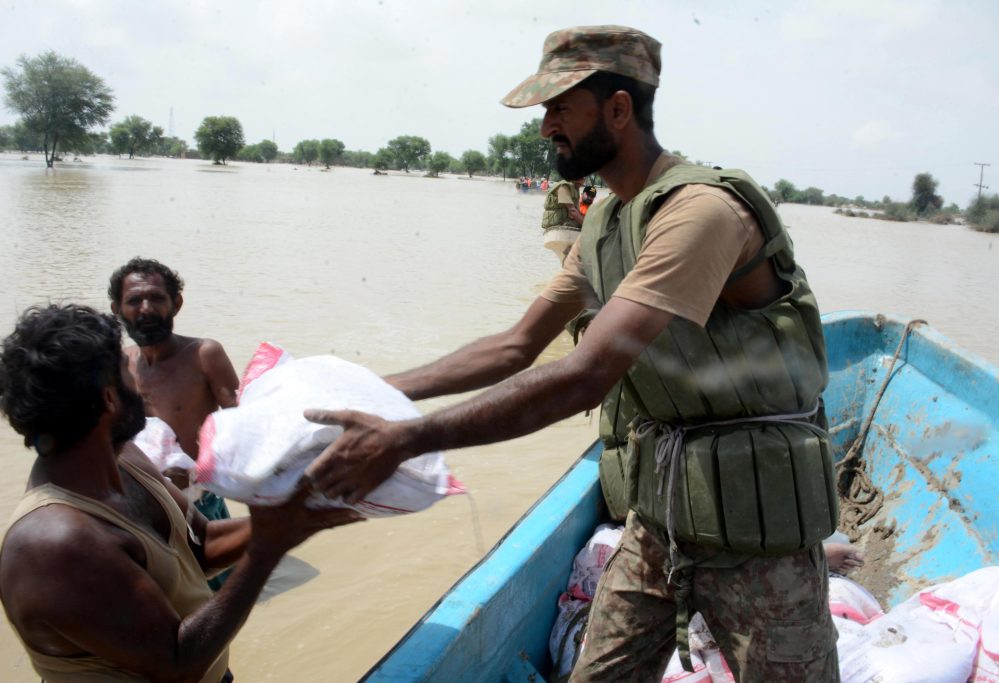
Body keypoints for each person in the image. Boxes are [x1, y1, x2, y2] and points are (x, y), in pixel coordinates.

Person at [303, 25, 839, 681]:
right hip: (661, 522)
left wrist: (404, 439)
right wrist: (371, 391)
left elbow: (585, 376)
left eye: (560, 107)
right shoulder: (607, 222)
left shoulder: (700, 212)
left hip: (763, 538)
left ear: (618, 108)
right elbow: (515, 345)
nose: (544, 128)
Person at [0, 304, 362, 682]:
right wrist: (266, 549)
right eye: (129, 374)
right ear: (109, 399)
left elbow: (200, 545)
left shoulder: (123, 455)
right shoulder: (55, 545)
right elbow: (177, 664)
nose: (140, 386)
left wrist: (301, 508)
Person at [108, 257, 239, 589]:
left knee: (215, 600)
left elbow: (242, 426)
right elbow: (110, 435)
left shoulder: (204, 355)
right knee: (157, 603)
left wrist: (196, 473)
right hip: (142, 507)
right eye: (134, 301)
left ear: (176, 304)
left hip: (199, 503)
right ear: (117, 309)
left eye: (157, 298)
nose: (146, 308)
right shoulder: (121, 363)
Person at [541, 176, 585, 262]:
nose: (582, 182)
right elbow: (572, 211)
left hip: (566, 221)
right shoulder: (564, 187)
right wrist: (586, 223)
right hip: (557, 222)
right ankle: (571, 253)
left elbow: (576, 211)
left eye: (583, 179)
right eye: (581, 178)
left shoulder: (575, 187)